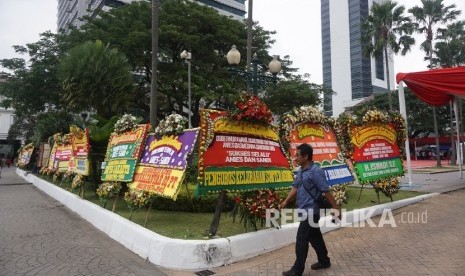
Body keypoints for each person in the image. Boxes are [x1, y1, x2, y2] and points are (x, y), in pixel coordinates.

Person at [280, 143, 341, 276]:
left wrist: (336, 208)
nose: (295, 157)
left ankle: (297, 269)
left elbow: (326, 191)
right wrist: (286, 201)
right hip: (303, 210)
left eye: (298, 155)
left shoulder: (315, 171)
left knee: (302, 238)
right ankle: (324, 261)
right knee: (315, 237)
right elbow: (295, 187)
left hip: (312, 211)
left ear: (306, 156)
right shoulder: (301, 171)